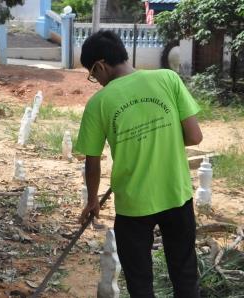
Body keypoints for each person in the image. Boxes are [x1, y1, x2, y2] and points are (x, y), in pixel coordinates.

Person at [76, 30, 203, 298]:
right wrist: (161, 134)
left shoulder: (99, 102)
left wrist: (92, 200)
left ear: (100, 65)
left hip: (133, 206)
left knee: (140, 281)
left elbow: (92, 160)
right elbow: (194, 136)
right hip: (176, 195)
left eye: (93, 74)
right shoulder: (168, 78)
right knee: (185, 274)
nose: (96, 81)